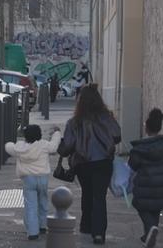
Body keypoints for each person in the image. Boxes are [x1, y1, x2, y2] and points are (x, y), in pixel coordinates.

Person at [57, 84, 121, 245]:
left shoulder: (74, 122)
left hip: (83, 163)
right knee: (99, 197)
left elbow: (68, 146)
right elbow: (117, 136)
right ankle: (99, 233)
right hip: (103, 162)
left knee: (87, 193)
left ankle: (86, 226)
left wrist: (60, 144)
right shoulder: (107, 118)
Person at [129, 109, 163, 248]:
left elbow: (132, 165)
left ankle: (150, 230)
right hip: (162, 185)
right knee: (155, 208)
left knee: (141, 206)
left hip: (144, 184)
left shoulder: (139, 149)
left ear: (146, 128)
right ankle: (148, 235)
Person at [6, 125, 62, 241]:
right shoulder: (44, 145)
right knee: (43, 202)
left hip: (28, 179)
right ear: (40, 135)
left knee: (31, 205)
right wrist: (57, 133)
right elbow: (54, 146)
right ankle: (42, 225)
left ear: (25, 136)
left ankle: (32, 232)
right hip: (43, 178)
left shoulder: (20, 148)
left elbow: (9, 147)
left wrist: (13, 143)